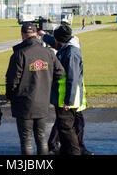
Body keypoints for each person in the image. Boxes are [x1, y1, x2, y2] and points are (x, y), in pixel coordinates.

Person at [6, 22, 65, 155]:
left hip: (24, 102)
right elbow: (60, 73)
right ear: (36, 35)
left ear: (22, 35)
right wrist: (47, 82)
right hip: (42, 101)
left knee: (26, 140)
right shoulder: (48, 52)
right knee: (41, 137)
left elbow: (12, 81)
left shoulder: (19, 54)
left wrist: (11, 97)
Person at [38, 26, 93, 155]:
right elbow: (54, 41)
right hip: (64, 97)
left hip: (67, 99)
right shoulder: (67, 47)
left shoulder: (71, 53)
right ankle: (66, 150)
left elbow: (72, 79)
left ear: (59, 40)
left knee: (67, 129)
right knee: (65, 129)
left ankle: (75, 151)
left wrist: (68, 100)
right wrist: (44, 35)